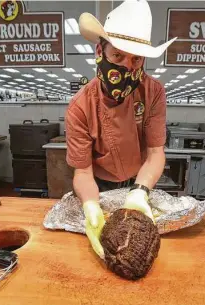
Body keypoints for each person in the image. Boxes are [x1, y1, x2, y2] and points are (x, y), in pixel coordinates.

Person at [65, 0, 176, 258]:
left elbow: (156, 152)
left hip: (140, 181)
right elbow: (82, 171)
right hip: (98, 185)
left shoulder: (153, 92)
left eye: (136, 59)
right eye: (118, 56)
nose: (127, 67)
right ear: (99, 51)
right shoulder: (80, 106)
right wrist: (91, 205)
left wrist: (139, 193)